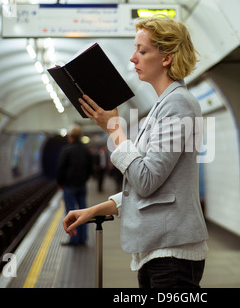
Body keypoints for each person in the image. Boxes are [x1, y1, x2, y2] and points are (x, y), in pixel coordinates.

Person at [62, 15, 208, 287]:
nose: (132, 58)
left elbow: (147, 180)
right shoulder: (162, 106)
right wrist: (94, 210)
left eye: (142, 50)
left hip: (172, 253)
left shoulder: (179, 105)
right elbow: (146, 185)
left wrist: (115, 130)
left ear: (166, 57)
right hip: (157, 250)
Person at [57, 125, 92, 246]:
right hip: (81, 186)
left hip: (69, 186)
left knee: (71, 214)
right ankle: (83, 238)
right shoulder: (85, 149)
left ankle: (74, 239)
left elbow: (60, 168)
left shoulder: (66, 150)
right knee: (84, 213)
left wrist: (60, 183)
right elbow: (90, 168)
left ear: (70, 137)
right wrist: (85, 179)